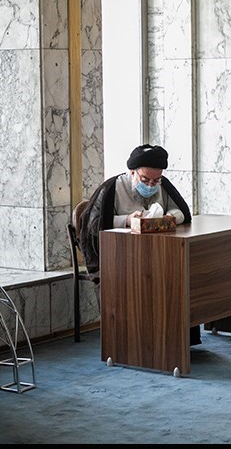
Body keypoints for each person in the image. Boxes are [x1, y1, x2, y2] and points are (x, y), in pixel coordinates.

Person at [76, 144, 199, 343]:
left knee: (180, 275)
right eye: (145, 180)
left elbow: (181, 211)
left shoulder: (162, 186)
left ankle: (170, 340)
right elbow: (93, 225)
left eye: (155, 181)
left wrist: (169, 217)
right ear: (132, 172)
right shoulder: (112, 188)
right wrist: (126, 220)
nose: (150, 185)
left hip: (157, 253)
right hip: (120, 257)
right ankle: (130, 342)